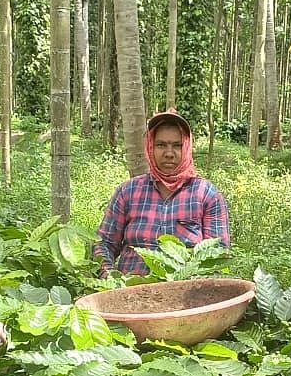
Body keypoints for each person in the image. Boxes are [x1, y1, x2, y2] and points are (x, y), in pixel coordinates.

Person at [94, 109, 230, 276]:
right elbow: (104, 243)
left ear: (187, 147)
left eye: (177, 146)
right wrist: (109, 276)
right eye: (161, 145)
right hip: (129, 294)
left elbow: (217, 253)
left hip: (186, 296)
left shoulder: (207, 195)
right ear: (150, 146)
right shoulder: (128, 192)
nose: (169, 154)